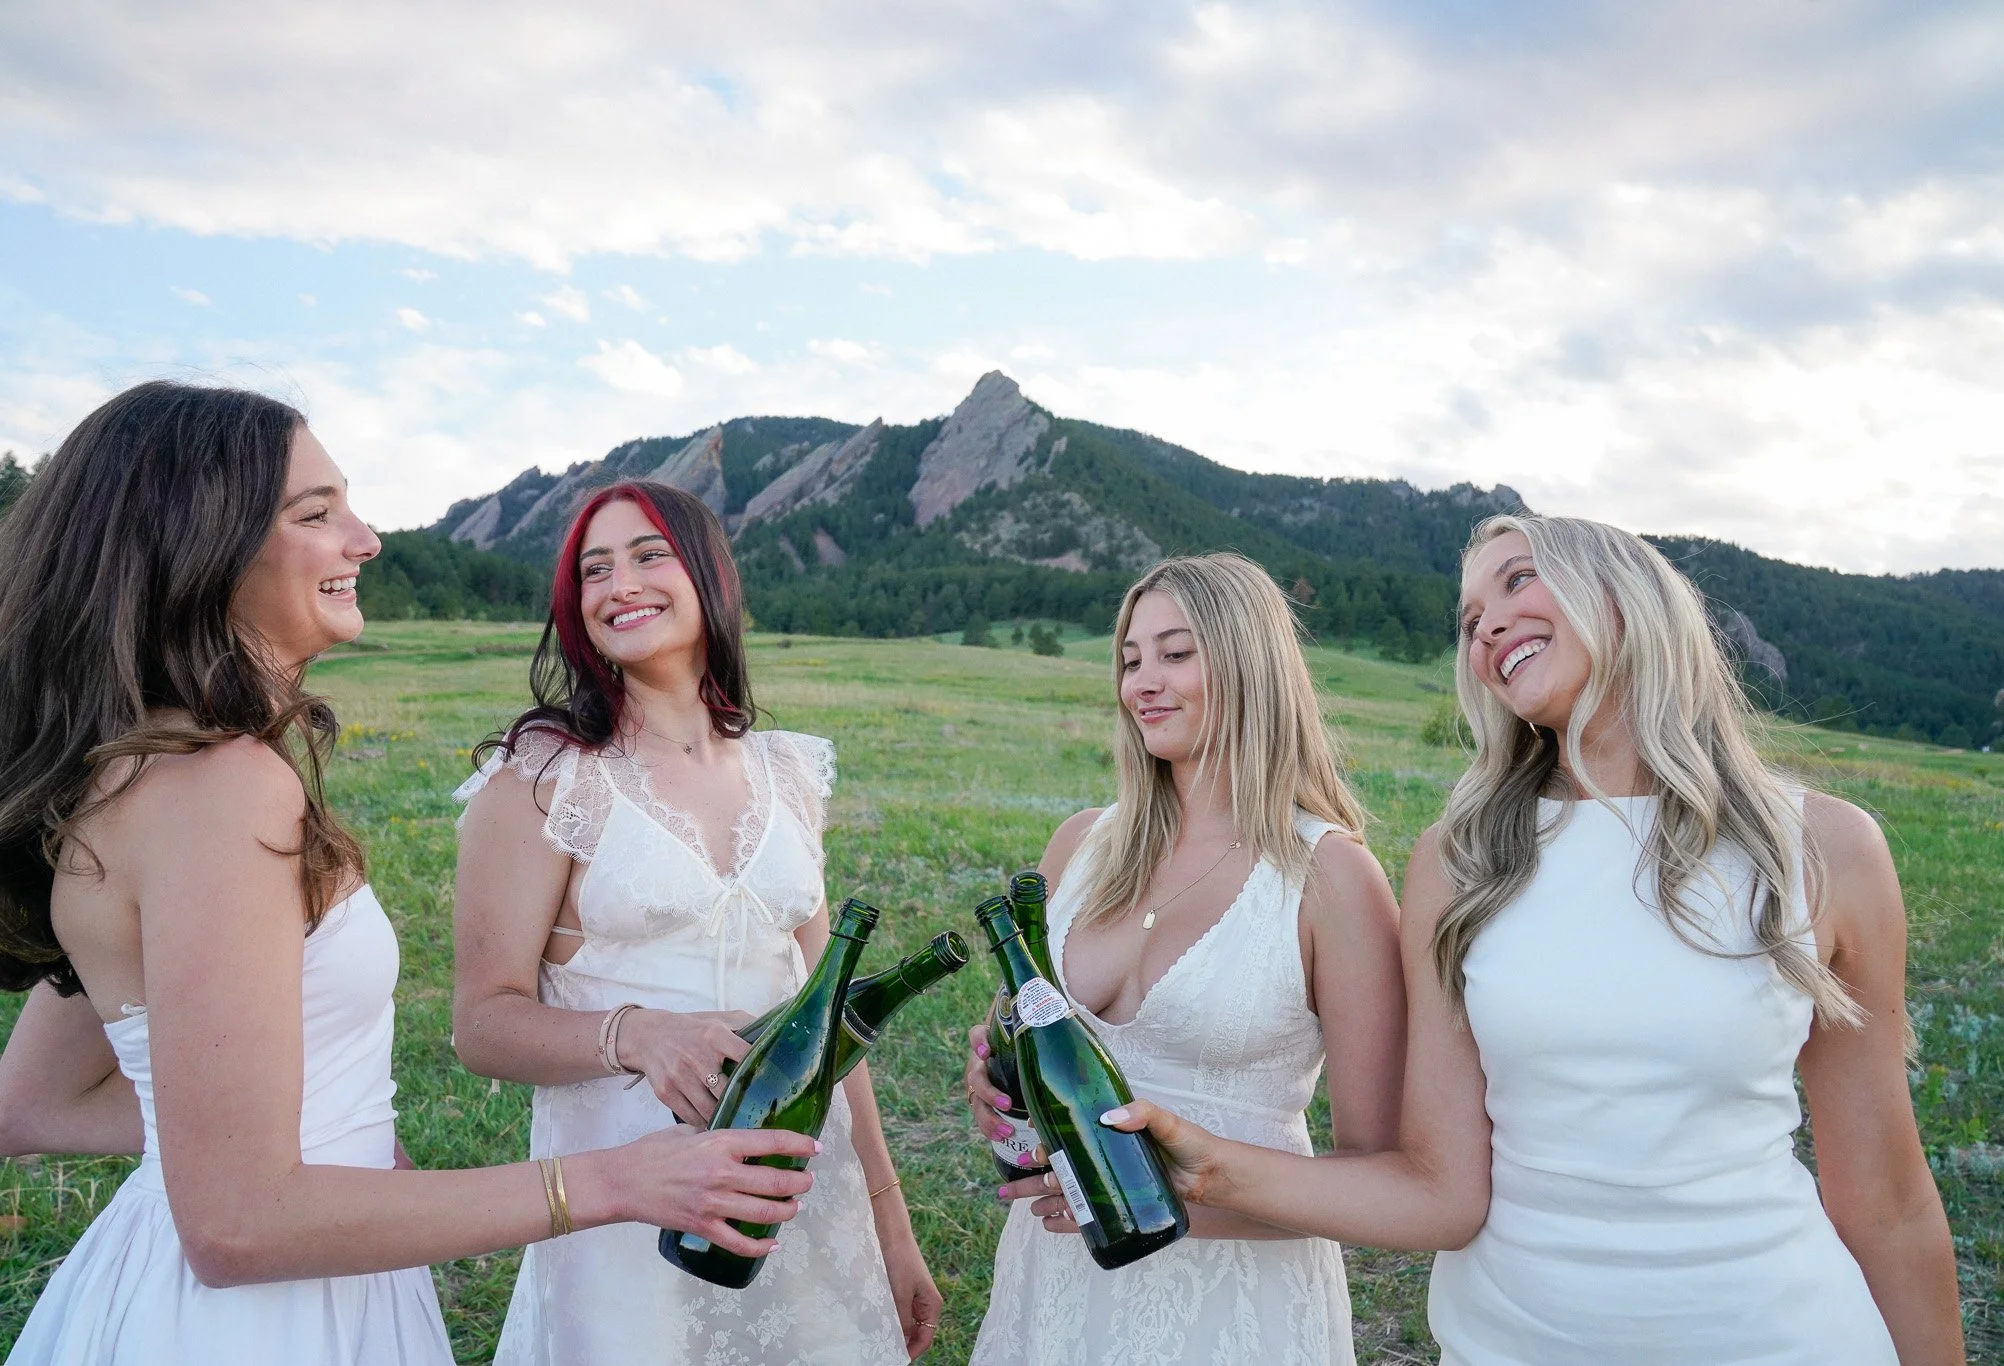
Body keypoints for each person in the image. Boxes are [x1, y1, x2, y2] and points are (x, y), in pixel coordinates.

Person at [0, 385, 818, 1366]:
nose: (367, 537)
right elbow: (239, 1225)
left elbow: (33, 1102)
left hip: (261, 1277)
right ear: (200, 546)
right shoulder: (219, 789)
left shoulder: (148, 769)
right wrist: (612, 1180)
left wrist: (308, 1132)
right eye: (317, 513)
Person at [1104, 515, 1967, 1364]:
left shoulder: (1823, 848)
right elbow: (1437, 1184)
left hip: (1777, 1333)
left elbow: (1887, 1199)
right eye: (1470, 620)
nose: (1486, 628)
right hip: (1508, 1338)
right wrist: (1206, 1169)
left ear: (1627, 597)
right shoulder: (1463, 861)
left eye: (1517, 580)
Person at [451, 480, 940, 1365]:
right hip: (628, 1207)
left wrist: (887, 1221)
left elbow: (827, 1016)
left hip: (798, 1198)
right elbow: (481, 1023)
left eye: (648, 555)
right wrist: (633, 1035)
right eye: (593, 569)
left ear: (711, 576)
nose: (618, 584)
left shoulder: (788, 773)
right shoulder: (542, 780)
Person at [962, 552, 1405, 1366]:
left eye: (1176, 652)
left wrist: (1161, 1199)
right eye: (1131, 659)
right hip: (1056, 1282)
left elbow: (1379, 1183)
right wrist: (994, 1066)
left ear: (1248, 663)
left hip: (1232, 1301)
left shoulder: (1331, 878)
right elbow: (1032, 1030)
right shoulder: (1080, 845)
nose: (1143, 683)